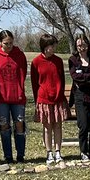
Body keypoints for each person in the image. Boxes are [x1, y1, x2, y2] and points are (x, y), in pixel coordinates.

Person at [0, 29, 28, 164]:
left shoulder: (20, 55)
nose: (9, 46)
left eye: (11, 43)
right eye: (6, 43)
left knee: (19, 125)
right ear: (0, 43)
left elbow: (23, 74)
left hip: (17, 97)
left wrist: (20, 90)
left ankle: (21, 155)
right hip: (1, 98)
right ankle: (8, 156)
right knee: (4, 126)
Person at [31, 34, 67, 163]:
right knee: (47, 127)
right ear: (45, 46)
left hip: (57, 98)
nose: (54, 48)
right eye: (52, 45)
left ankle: (58, 152)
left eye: (54, 45)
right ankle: (49, 152)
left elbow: (62, 80)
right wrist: (37, 101)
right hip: (44, 99)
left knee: (58, 126)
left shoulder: (58, 61)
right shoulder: (36, 62)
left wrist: (61, 94)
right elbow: (35, 83)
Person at [69, 33, 90, 161]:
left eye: (83, 45)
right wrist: (89, 76)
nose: (81, 48)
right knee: (83, 126)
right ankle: (83, 152)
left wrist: (84, 78)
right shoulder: (73, 60)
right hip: (80, 98)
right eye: (79, 45)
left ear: (87, 45)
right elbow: (76, 77)